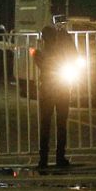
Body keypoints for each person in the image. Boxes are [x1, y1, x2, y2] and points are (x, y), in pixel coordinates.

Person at [33, 23, 77, 170]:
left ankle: (43, 159)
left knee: (46, 125)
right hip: (62, 90)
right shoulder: (61, 53)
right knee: (61, 124)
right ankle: (59, 157)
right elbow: (73, 56)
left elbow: (42, 64)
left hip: (47, 91)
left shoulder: (41, 53)